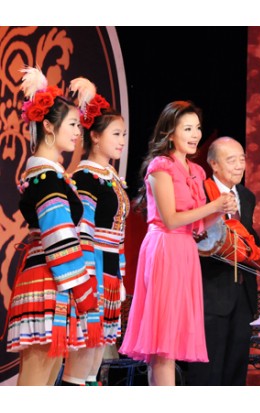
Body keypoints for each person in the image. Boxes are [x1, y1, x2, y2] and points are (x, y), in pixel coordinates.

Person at [119, 101, 237, 386]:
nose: (195, 135)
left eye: (197, 128)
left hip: (185, 251)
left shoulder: (196, 171)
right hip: (164, 248)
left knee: (172, 338)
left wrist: (220, 209)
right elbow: (171, 219)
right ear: (170, 133)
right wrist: (213, 206)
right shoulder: (161, 166)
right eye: (187, 129)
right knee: (163, 342)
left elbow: (196, 226)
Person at [6, 67, 97, 385]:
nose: (77, 132)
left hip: (52, 282)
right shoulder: (47, 179)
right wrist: (84, 291)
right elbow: (59, 239)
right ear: (48, 126)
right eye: (72, 124)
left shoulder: (50, 176)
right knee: (35, 386)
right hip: (48, 280)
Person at [60, 78, 129, 385]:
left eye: (123, 134)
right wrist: (90, 280)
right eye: (116, 134)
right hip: (94, 270)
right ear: (95, 136)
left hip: (110, 271)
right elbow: (83, 233)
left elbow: (120, 234)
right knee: (83, 356)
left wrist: (120, 275)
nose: (122, 140)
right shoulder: (87, 177)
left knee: (97, 359)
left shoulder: (111, 177)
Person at [185, 136, 260, 386]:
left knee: (235, 371)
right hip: (210, 294)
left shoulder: (246, 196)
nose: (239, 166)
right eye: (231, 160)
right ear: (214, 165)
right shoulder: (199, 193)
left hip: (243, 295)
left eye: (242, 159)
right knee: (207, 372)